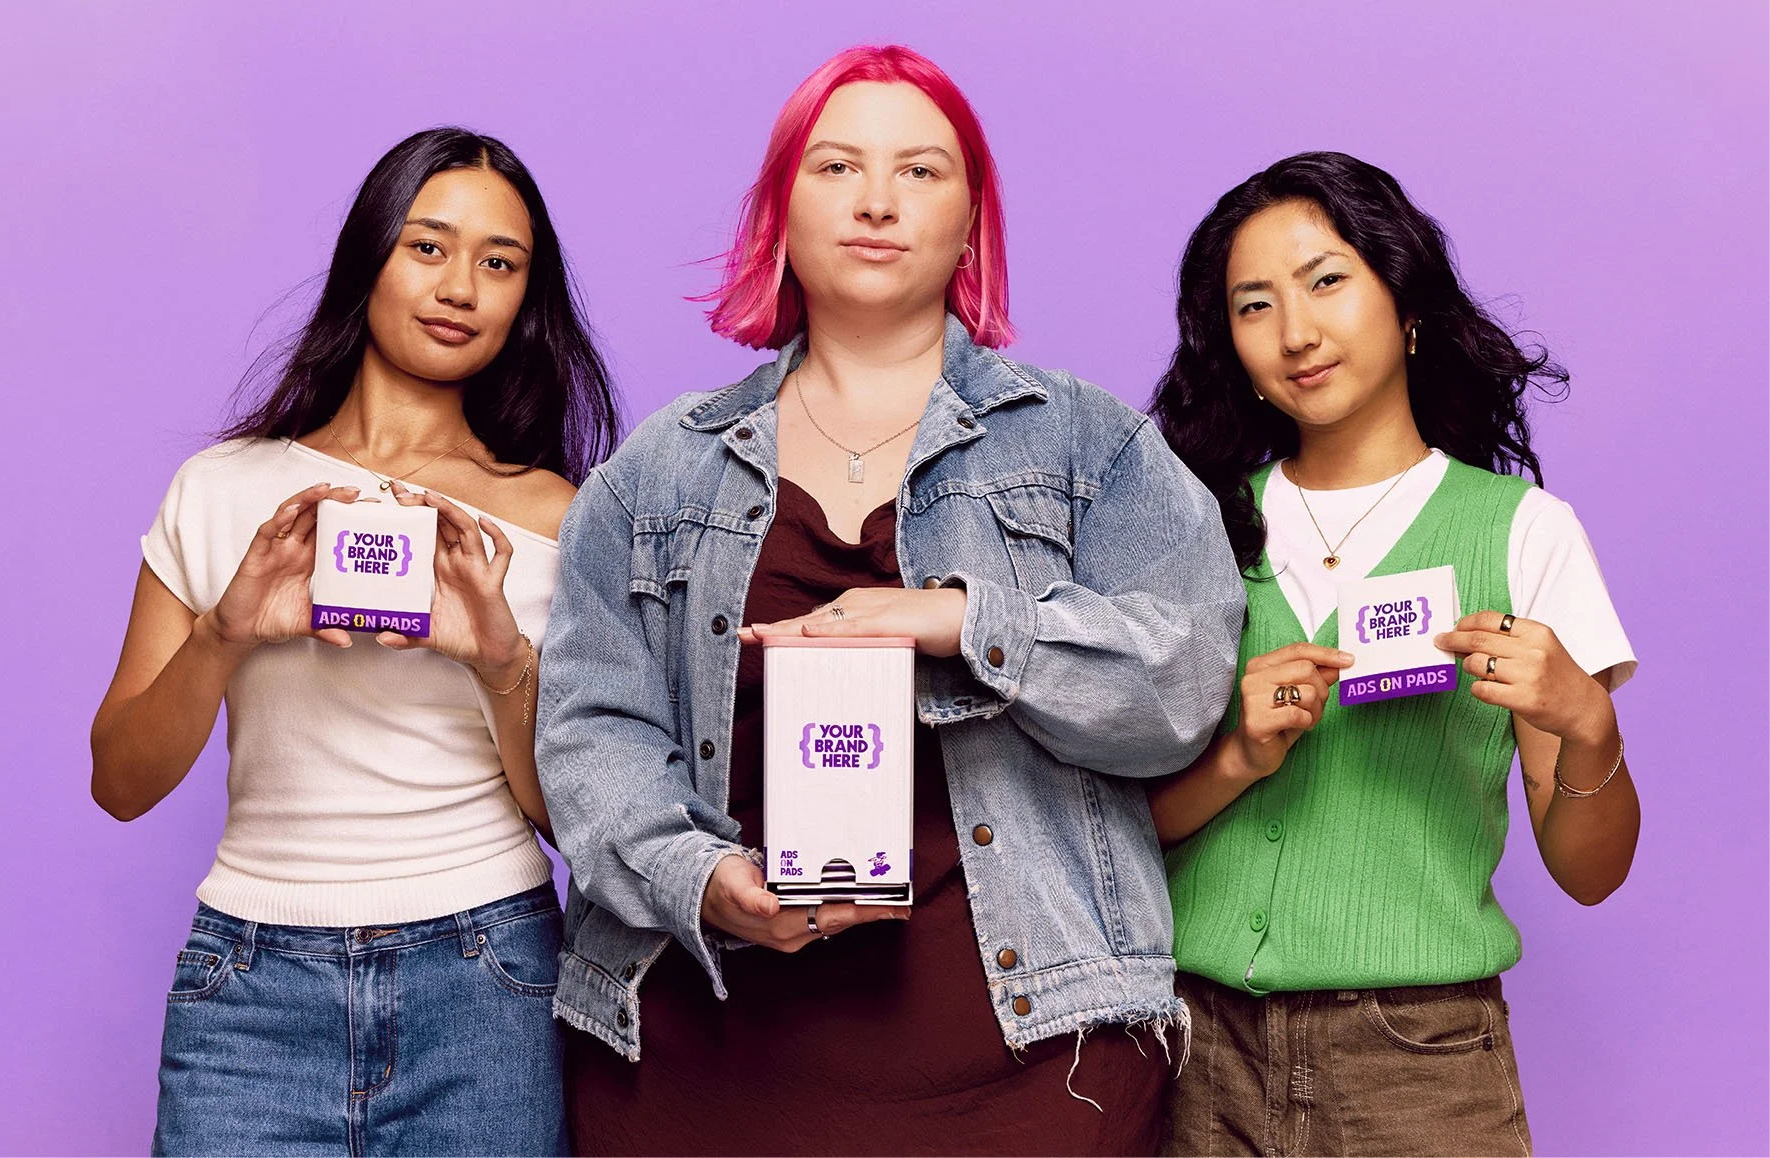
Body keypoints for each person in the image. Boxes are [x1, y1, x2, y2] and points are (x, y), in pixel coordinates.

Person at [536, 44, 1243, 1156]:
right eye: (835, 168)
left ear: (972, 222)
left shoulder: (1089, 445)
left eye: (920, 171)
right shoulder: (656, 474)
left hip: (1029, 1063)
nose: (876, 202)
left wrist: (968, 622)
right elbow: (592, 731)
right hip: (704, 1056)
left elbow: (1184, 681)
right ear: (781, 209)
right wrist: (707, 881)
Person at [90, 127, 620, 1156]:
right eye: (428, 247)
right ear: (367, 257)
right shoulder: (224, 489)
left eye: (498, 263)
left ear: (524, 303)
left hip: (488, 979)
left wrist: (500, 660)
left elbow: (582, 825)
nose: (459, 286)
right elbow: (119, 781)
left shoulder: (558, 515)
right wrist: (226, 635)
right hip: (248, 988)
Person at [1147, 151, 1640, 1157]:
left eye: (1328, 281)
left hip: (1419, 1062)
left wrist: (1588, 723)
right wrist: (1236, 755)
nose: (1296, 332)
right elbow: (1110, 832)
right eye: (1253, 306)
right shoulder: (1188, 525)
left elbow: (1590, 873)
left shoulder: (1522, 533)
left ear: (1403, 297)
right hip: (1193, 1053)